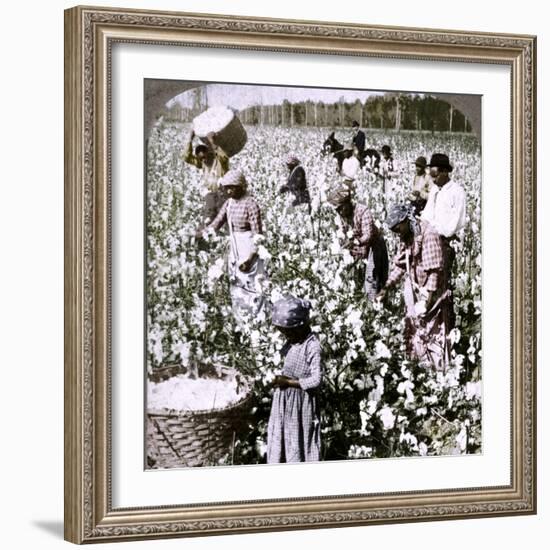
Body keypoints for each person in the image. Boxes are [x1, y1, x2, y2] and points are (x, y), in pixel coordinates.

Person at [377, 204, 453, 369]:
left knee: (432, 328)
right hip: (415, 285)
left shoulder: (429, 234)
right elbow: (401, 265)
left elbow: (434, 272)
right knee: (414, 326)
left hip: (432, 289)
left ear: (405, 221)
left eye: (398, 229)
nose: (397, 233)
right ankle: (418, 367)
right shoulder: (406, 235)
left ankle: (436, 369)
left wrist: (427, 300)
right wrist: (387, 287)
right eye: (394, 231)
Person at [203, 169, 266, 323]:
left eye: (232, 187)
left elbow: (258, 236)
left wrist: (250, 259)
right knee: (237, 284)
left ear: (240, 187)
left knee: (252, 284)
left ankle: (257, 322)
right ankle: (241, 322)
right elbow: (218, 222)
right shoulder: (229, 203)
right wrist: (203, 233)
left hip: (249, 248)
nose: (228, 191)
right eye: (227, 188)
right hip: (235, 248)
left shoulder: (251, 204)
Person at [267, 296, 322, 463]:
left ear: (300, 326)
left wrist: (288, 382)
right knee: (283, 437)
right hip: (284, 402)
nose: (286, 336)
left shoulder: (312, 346)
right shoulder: (292, 343)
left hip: (301, 405)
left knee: (299, 438)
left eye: (288, 332)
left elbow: (316, 380)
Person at [421, 153, 466, 324]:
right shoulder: (434, 190)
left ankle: (446, 325)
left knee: (443, 285)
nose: (432, 179)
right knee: (429, 284)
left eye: (434, 174)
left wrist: (433, 229)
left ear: (445, 172)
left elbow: (454, 224)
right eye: (431, 174)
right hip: (430, 242)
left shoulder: (457, 192)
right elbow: (427, 214)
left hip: (445, 244)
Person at [327, 187, 388, 300]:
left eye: (341, 208)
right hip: (358, 249)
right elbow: (343, 231)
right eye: (337, 210)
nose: (340, 212)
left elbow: (368, 235)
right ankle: (361, 301)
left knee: (372, 279)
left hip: (374, 247)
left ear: (348, 202)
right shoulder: (342, 216)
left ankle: (374, 304)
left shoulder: (363, 211)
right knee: (356, 279)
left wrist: (355, 242)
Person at [183, 129, 229, 223]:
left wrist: (213, 142)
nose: (203, 160)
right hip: (210, 194)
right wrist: (189, 140)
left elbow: (223, 156)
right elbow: (186, 157)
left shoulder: (219, 160)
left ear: (208, 153)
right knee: (208, 219)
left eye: (204, 157)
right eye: (200, 158)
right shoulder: (202, 163)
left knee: (224, 218)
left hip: (223, 194)